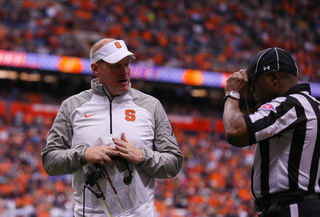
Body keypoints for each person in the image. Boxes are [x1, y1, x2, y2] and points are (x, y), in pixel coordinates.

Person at [41, 38, 183, 217]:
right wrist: (83, 154)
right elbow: (50, 162)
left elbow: (174, 163)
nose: (124, 71)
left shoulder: (151, 106)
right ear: (95, 69)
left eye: (127, 64)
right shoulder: (72, 107)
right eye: (116, 65)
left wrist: (142, 156)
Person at [223, 47, 320, 217]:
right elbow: (265, 128)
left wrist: (232, 94)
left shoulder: (290, 104)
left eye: (254, 85)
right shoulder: (310, 105)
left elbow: (235, 132)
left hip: (291, 207)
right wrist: (252, 100)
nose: (251, 90)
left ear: (274, 78)